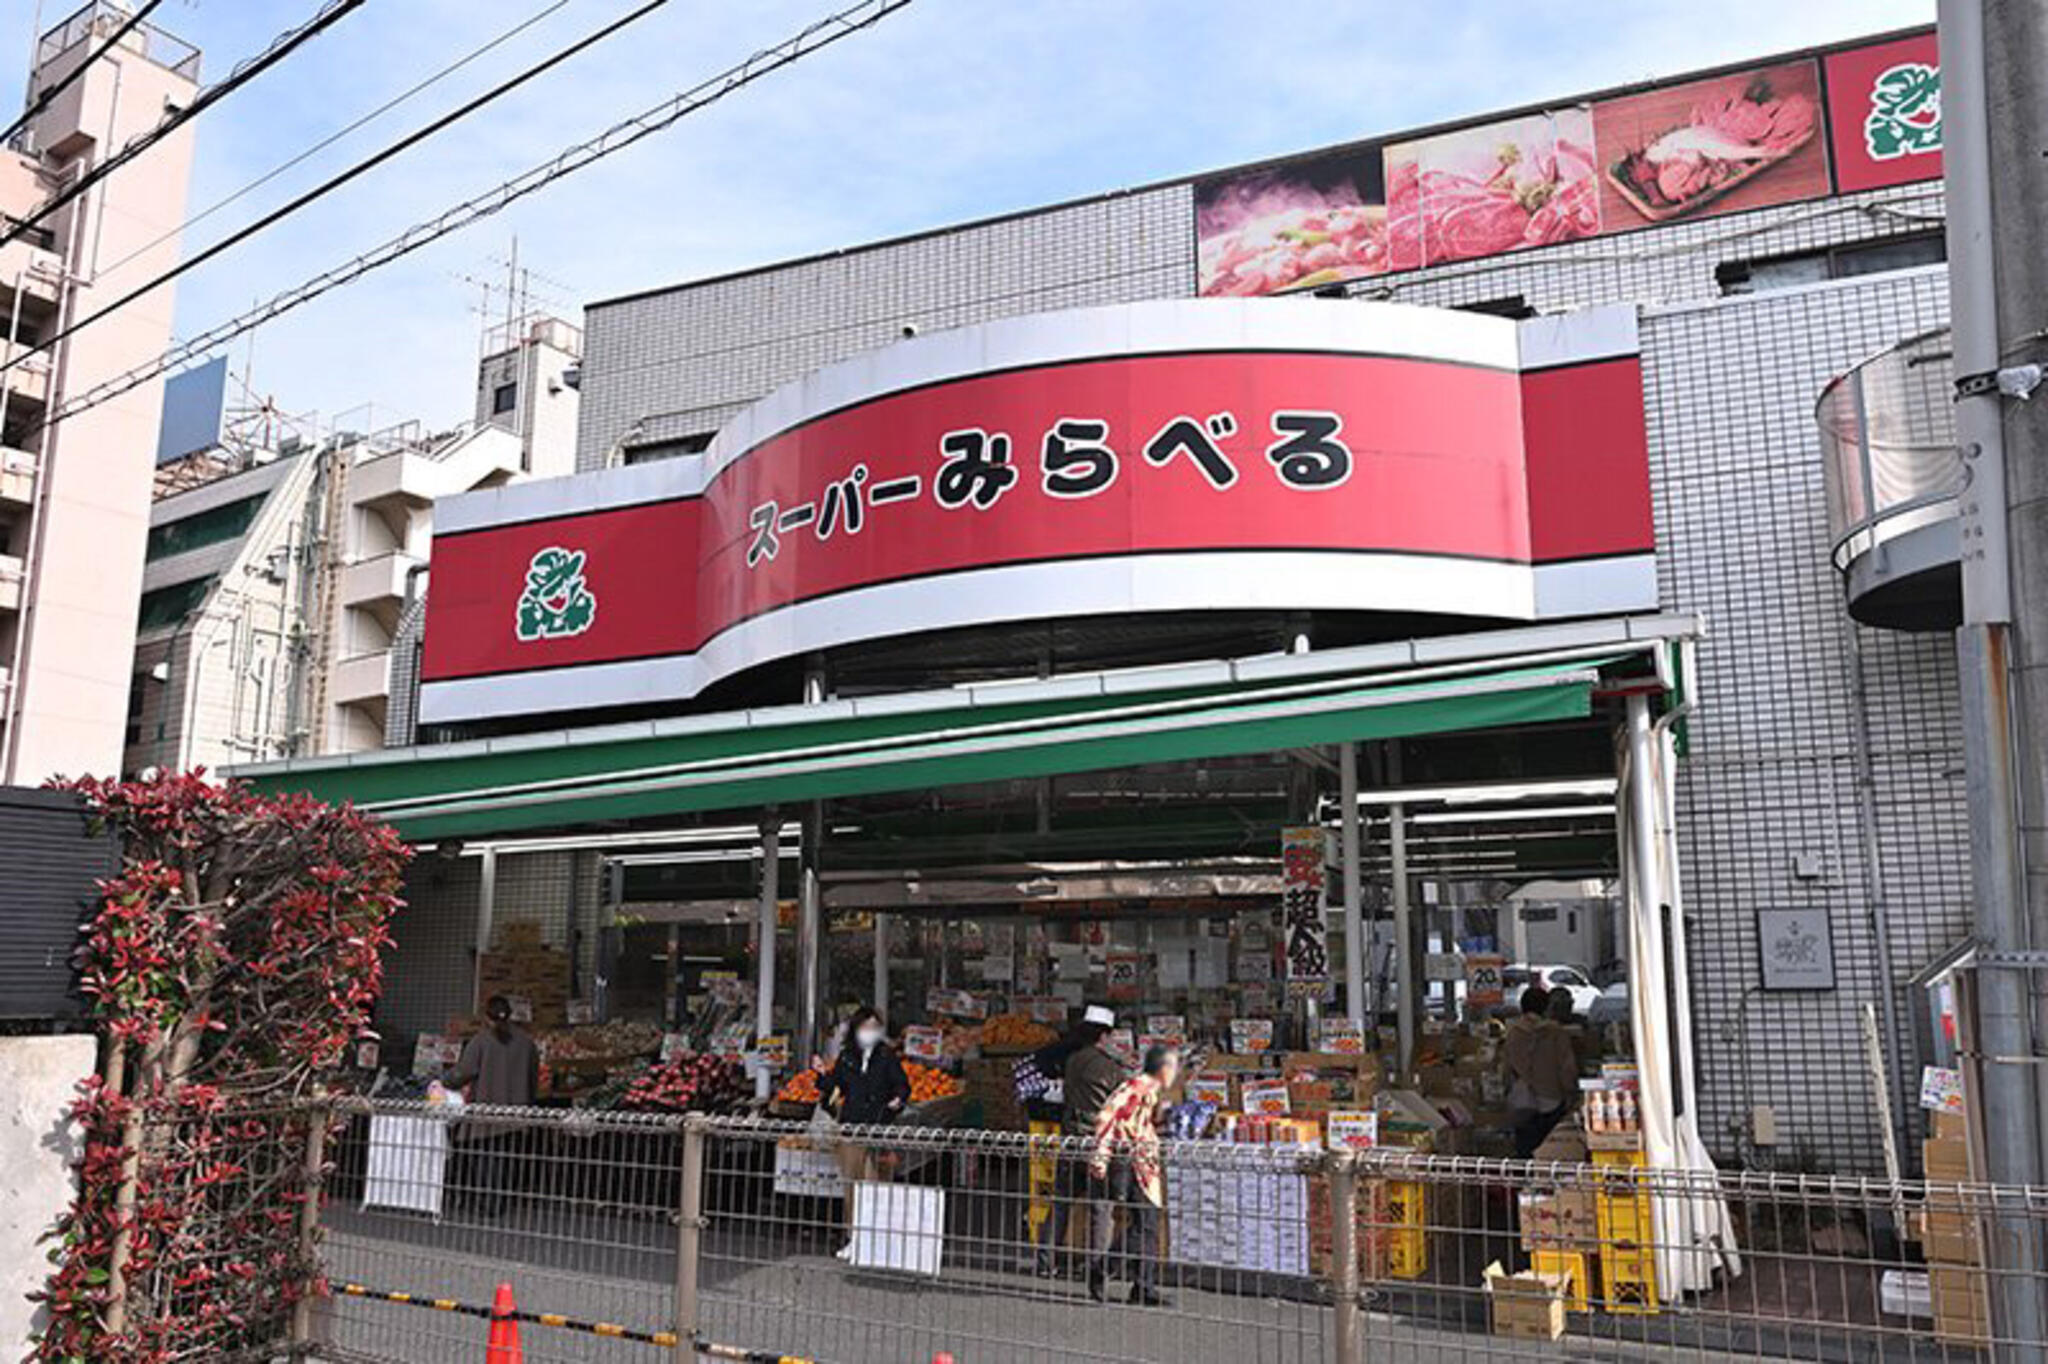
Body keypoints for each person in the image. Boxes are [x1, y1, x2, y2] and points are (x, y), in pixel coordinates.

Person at [1087, 1044, 1180, 1306]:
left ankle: (1143, 1287)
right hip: (1133, 1164)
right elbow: (1107, 1116)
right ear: (1164, 1069)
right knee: (1144, 1225)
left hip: (1146, 1163)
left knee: (1148, 1226)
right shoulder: (1137, 1087)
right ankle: (1103, 1268)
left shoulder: (1150, 1091)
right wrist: (1101, 1155)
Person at [1026, 1008, 1115, 1277]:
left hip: (1069, 1138)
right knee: (1101, 1206)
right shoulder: (1108, 1066)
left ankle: (1044, 1261)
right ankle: (1095, 1265)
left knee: (1061, 1201)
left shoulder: (1073, 1060)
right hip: (1095, 1143)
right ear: (1104, 1035)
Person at [817, 1007, 911, 1259]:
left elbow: (902, 1085)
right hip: (851, 1127)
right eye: (866, 1027)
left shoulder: (887, 1056)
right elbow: (835, 1086)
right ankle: (853, 1236)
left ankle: (877, 1238)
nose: (871, 1032)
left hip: (878, 1127)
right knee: (852, 1186)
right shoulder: (847, 1057)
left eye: (875, 1027)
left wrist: (898, 1100)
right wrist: (820, 1075)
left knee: (876, 1183)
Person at [445, 995, 540, 1215]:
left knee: (486, 1161)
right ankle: (501, 1202)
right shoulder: (527, 1043)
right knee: (507, 1160)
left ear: (486, 1017)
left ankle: (489, 1205)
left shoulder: (481, 1041)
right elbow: (533, 1077)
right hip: (516, 1114)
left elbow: (463, 1073)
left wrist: (444, 1080)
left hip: (486, 1114)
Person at [1503, 986, 1580, 1157]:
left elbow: (1506, 1069)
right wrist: (1571, 1093)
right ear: (1546, 1007)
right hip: (1552, 1098)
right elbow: (1567, 1068)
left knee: (1524, 1150)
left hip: (1522, 1101)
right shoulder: (1557, 1033)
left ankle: (1525, 1179)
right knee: (1552, 1152)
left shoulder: (1513, 1033)